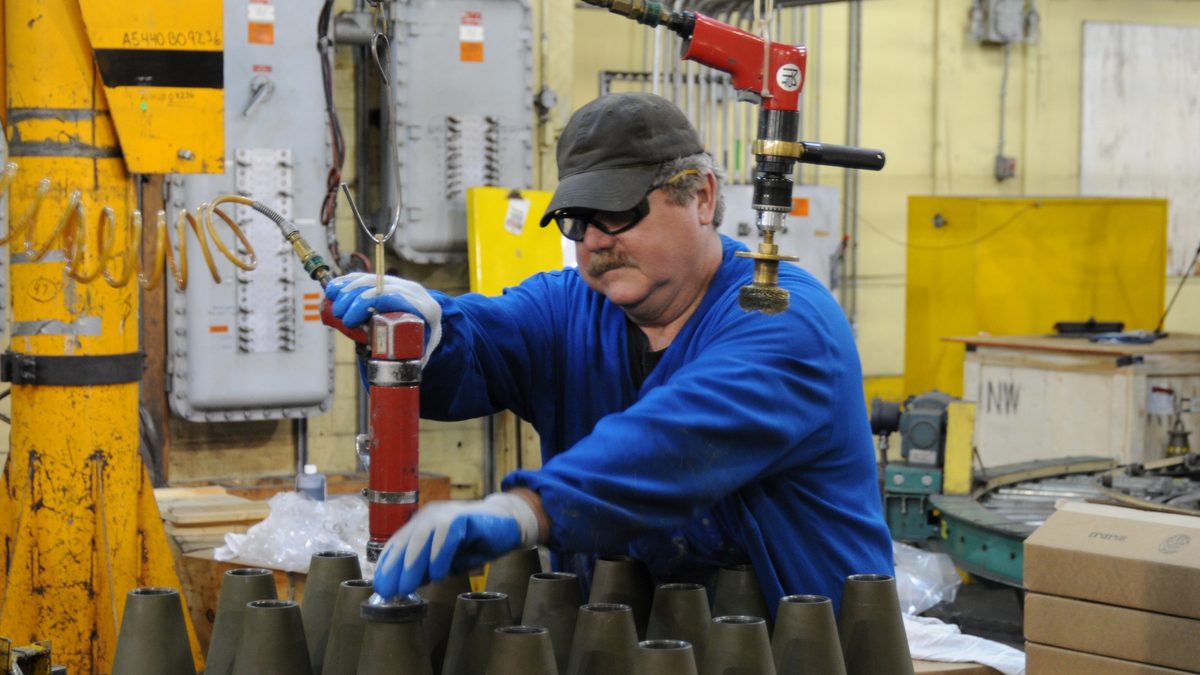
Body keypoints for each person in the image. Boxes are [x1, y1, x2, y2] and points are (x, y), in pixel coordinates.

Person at [324, 92, 893, 614]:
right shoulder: (567, 310)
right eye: (578, 219)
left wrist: (527, 509)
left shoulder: (782, 316)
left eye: (617, 212)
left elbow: (678, 442)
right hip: (624, 645)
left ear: (701, 196)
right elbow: (480, 348)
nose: (594, 239)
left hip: (799, 652)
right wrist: (428, 333)